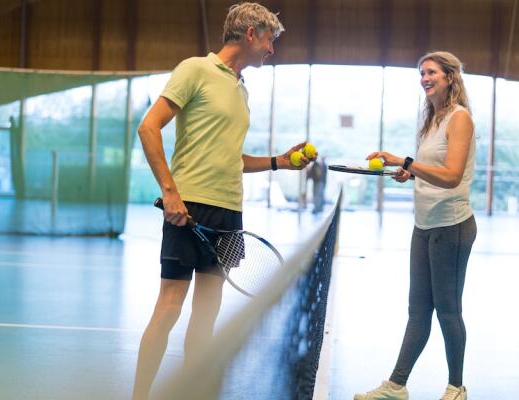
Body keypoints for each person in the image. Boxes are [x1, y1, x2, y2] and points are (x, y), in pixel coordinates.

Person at [131, 3, 314, 399]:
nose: (272, 49)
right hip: (189, 207)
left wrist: (279, 162)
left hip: (229, 211)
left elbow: (232, 157)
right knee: (169, 308)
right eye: (270, 40)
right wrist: (171, 192)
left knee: (206, 316)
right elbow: (149, 127)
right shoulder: (194, 70)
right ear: (251, 34)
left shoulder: (241, 89)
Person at [354, 51, 477, 400]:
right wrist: (411, 173)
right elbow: (433, 170)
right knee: (418, 309)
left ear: (450, 77)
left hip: (451, 226)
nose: (425, 78)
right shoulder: (432, 119)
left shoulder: (459, 118)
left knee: (448, 309)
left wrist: (404, 159)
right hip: (424, 225)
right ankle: (396, 385)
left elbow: (452, 177)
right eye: (422, 73)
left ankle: (456, 387)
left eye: (432, 72)